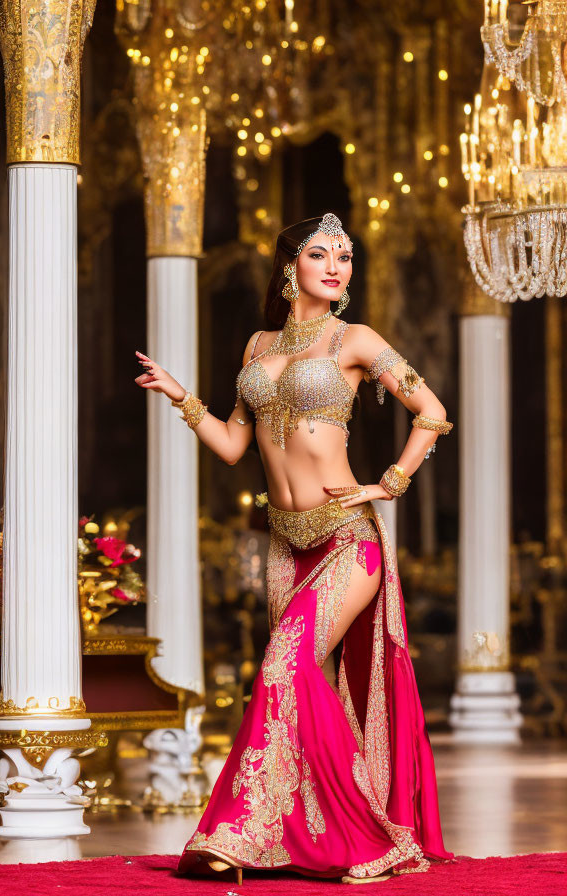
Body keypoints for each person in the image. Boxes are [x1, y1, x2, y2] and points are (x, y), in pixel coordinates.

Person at [133, 213, 455, 884]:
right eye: (320, 254)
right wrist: (180, 397)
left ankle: (242, 835)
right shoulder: (257, 345)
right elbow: (232, 445)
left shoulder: (356, 338)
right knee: (309, 689)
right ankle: (317, 835)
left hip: (346, 539)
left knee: (282, 666)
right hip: (286, 544)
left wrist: (388, 483)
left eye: (345, 256)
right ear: (290, 269)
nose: (336, 266)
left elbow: (431, 410)